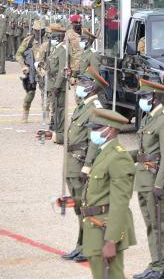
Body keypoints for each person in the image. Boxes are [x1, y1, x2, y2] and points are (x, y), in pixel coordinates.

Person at [80, 108, 136, 279]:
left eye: (97, 128)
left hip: (105, 230)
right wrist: (74, 200)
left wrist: (111, 240)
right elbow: (98, 192)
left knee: (112, 276)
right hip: (94, 227)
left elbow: (120, 202)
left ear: (110, 130)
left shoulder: (117, 157)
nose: (92, 132)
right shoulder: (104, 152)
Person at [59, 67, 107, 263]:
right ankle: (81, 244)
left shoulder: (95, 109)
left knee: (86, 207)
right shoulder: (83, 107)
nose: (78, 86)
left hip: (81, 165)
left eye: (83, 83)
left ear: (92, 87)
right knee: (79, 208)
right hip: (72, 163)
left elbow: (94, 142)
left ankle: (89, 246)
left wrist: (87, 166)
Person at [131, 79, 164, 279]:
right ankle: (154, 263)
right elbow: (144, 151)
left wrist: (160, 183)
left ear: (156, 98)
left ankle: (160, 267)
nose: (142, 100)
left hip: (155, 179)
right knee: (150, 222)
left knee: (158, 223)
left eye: (145, 97)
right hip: (143, 178)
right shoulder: (150, 118)